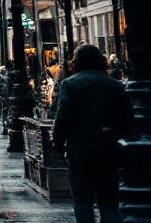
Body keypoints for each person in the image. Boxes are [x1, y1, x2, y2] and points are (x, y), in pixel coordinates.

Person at [53, 45, 133, 223]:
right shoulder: (115, 86)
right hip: (108, 148)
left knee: (82, 199)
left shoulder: (70, 84)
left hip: (79, 148)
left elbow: (63, 118)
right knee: (109, 201)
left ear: (77, 62)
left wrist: (58, 144)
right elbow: (127, 121)